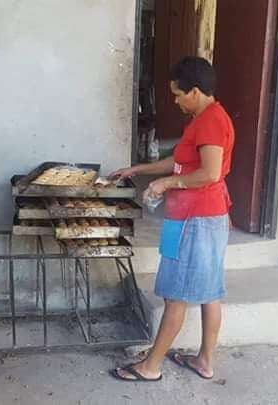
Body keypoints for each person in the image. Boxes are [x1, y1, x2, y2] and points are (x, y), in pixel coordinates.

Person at [109, 56, 235, 382]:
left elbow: (208, 173)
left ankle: (150, 366)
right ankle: (204, 361)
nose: (176, 101)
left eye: (178, 94)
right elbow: (180, 162)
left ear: (195, 91)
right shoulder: (202, 118)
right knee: (209, 292)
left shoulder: (210, 122)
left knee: (175, 295)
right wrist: (139, 169)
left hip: (196, 219)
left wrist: (166, 184)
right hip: (197, 216)